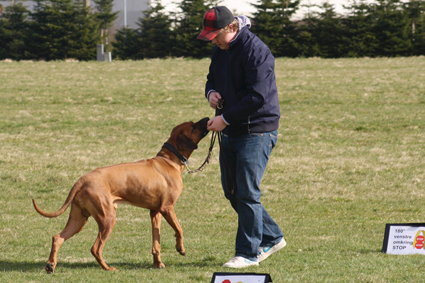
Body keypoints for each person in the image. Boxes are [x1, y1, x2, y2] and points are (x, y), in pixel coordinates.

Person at [197, 6, 286, 268]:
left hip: (257, 130)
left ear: (232, 28)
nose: (212, 41)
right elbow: (211, 78)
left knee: (247, 191)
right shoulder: (220, 49)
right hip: (232, 129)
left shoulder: (257, 51)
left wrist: (223, 119)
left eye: (215, 36)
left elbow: (257, 97)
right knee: (232, 191)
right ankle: (272, 236)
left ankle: (248, 254)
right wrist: (211, 92)